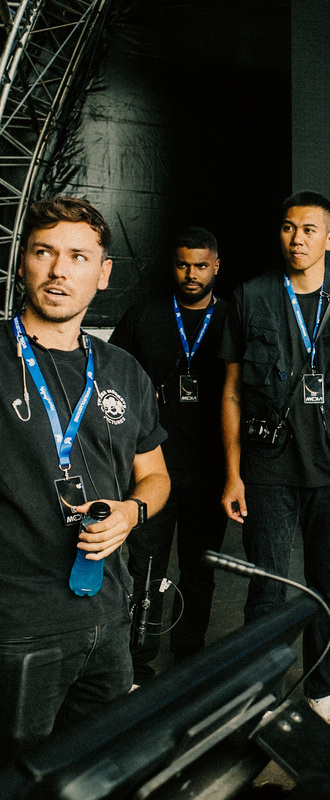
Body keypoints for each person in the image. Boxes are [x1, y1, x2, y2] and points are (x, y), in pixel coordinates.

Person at [0, 197, 170, 756]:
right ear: (21, 263)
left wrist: (131, 512)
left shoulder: (123, 369)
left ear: (103, 273)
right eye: (44, 252)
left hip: (107, 619)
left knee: (96, 768)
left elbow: (155, 475)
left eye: (78, 256)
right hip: (16, 628)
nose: (58, 270)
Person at [219, 191, 330, 740]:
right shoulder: (251, 297)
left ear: (329, 239)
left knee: (327, 587)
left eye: (310, 230)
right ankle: (259, 699)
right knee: (266, 589)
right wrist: (233, 474)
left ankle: (324, 692)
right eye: (289, 228)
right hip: (267, 469)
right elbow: (232, 393)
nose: (297, 239)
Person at [110, 227, 229, 685]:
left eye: (200, 266)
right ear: (172, 266)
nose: (191, 274)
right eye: (183, 265)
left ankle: (189, 658)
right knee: (145, 569)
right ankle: (138, 665)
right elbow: (109, 379)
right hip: (151, 470)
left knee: (201, 571)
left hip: (210, 470)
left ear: (216, 266)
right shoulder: (145, 315)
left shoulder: (231, 319)